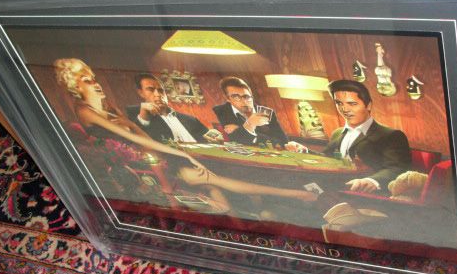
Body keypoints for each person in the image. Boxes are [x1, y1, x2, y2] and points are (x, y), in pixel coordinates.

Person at [54, 59, 315, 211]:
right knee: (217, 179)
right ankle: (294, 195)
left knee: (216, 186)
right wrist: (181, 155)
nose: (95, 83)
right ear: (74, 85)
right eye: (87, 80)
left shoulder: (109, 109)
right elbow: (137, 139)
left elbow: (140, 135)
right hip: (145, 168)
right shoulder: (85, 110)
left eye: (93, 77)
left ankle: (242, 223)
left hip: (157, 156)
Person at [323, 79, 411, 194]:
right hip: (335, 190)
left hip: (368, 195)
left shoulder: (391, 135)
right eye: (339, 103)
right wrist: (304, 150)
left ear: (368, 105)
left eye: (352, 104)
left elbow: (397, 169)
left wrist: (371, 181)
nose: (345, 109)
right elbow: (326, 158)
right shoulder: (337, 133)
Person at [213, 76, 306, 152]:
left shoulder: (266, 112)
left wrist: (245, 128)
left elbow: (282, 142)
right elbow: (236, 140)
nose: (244, 101)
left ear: (251, 95)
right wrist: (250, 125)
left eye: (246, 96)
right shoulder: (220, 111)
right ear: (227, 98)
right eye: (236, 97)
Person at [126, 73, 222, 144]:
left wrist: (214, 135)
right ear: (141, 93)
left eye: (161, 90)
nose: (157, 94)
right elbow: (136, 138)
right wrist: (143, 115)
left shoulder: (190, 119)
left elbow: (209, 137)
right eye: (151, 89)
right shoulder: (137, 114)